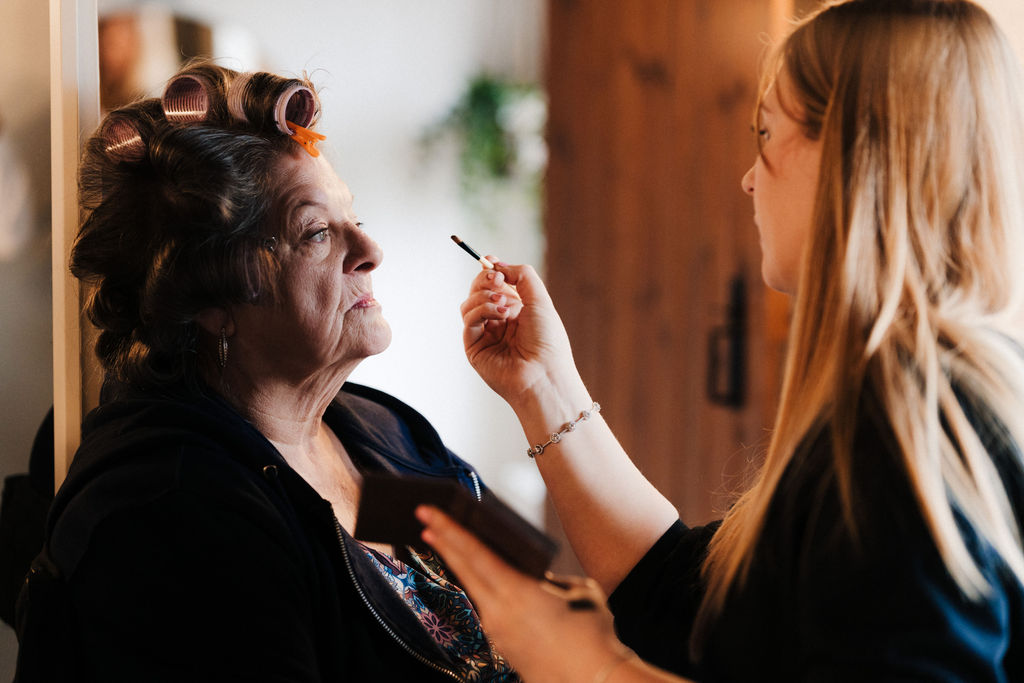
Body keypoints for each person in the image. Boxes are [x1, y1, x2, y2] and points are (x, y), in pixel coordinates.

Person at [417, 0, 1024, 681]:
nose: (748, 176)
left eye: (766, 133)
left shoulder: (911, 439)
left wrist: (585, 665)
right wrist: (544, 385)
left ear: (859, 157)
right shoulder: (906, 397)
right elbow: (693, 602)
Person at [14, 61, 519, 682]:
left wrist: (542, 391)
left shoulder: (382, 430)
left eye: (353, 219)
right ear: (213, 303)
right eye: (314, 234)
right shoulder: (177, 517)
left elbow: (549, 592)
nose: (370, 252)